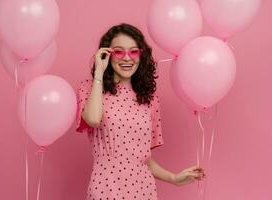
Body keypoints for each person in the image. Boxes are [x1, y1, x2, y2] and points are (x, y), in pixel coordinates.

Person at [76, 23, 205, 200]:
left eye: (134, 52)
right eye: (119, 52)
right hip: (106, 188)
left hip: (144, 190)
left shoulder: (150, 100)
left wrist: (174, 178)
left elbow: (141, 159)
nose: (127, 58)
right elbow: (93, 119)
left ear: (141, 55)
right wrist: (99, 72)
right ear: (107, 55)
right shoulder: (90, 89)